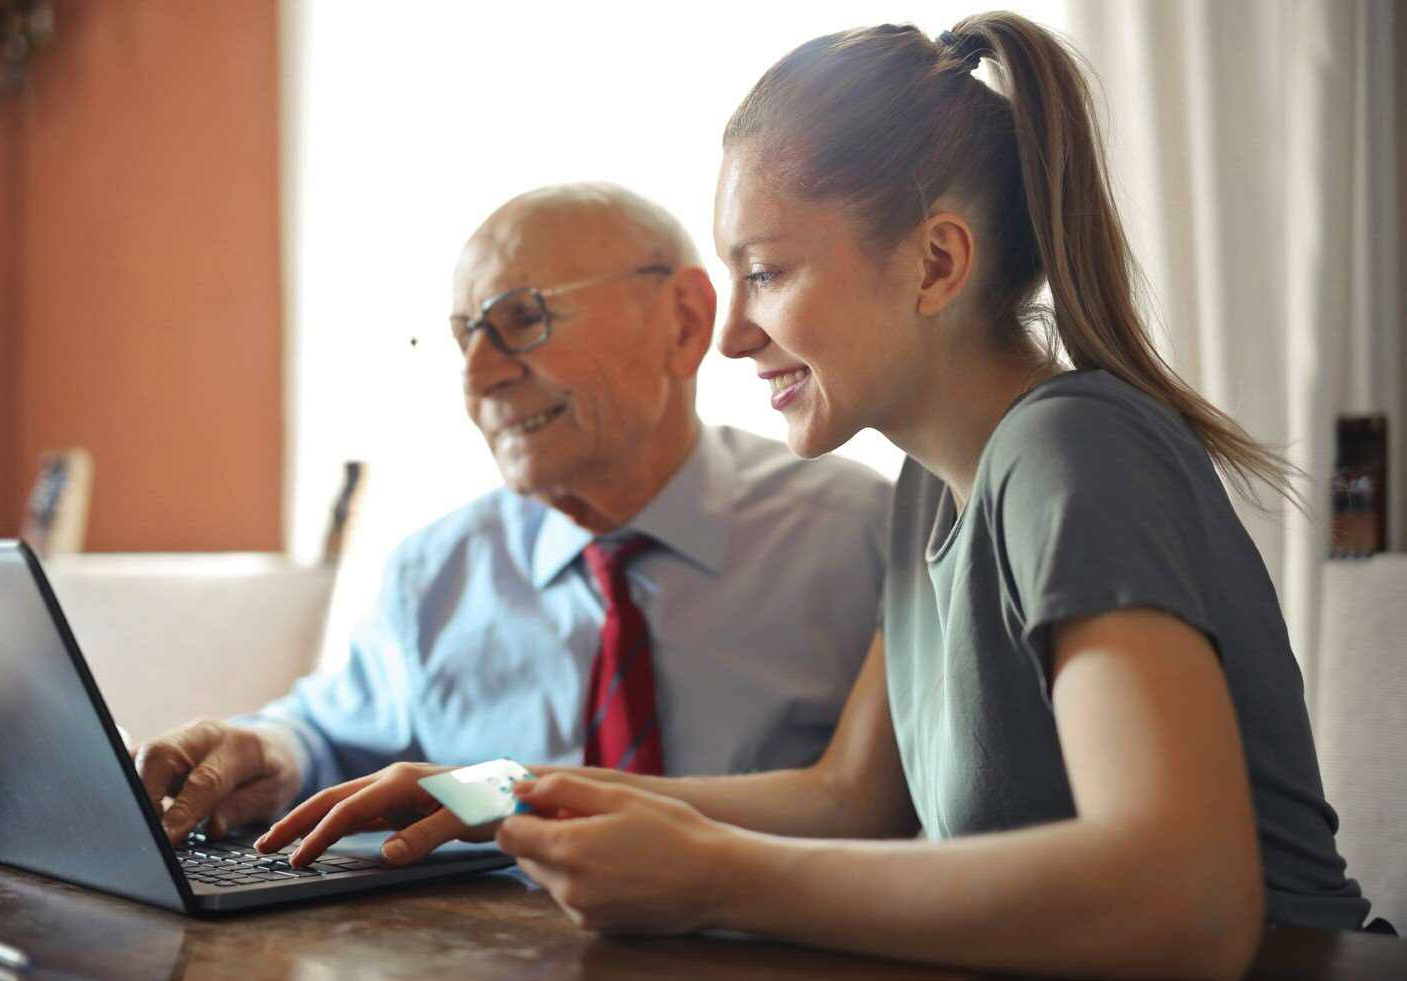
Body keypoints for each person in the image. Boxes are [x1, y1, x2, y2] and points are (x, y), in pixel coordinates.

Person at [257, 15, 1381, 978]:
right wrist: (499, 793)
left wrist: (714, 878)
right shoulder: (929, 494)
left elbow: (1183, 901)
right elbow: (853, 797)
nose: (735, 333)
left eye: (768, 271)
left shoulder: (1070, 453)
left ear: (936, 265)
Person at [132, 183, 890, 850]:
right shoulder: (436, 569)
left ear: (685, 321)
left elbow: (888, 810)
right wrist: (270, 751)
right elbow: (332, 735)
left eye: (521, 319)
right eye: (466, 335)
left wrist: (491, 791)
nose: (477, 377)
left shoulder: (861, 535)